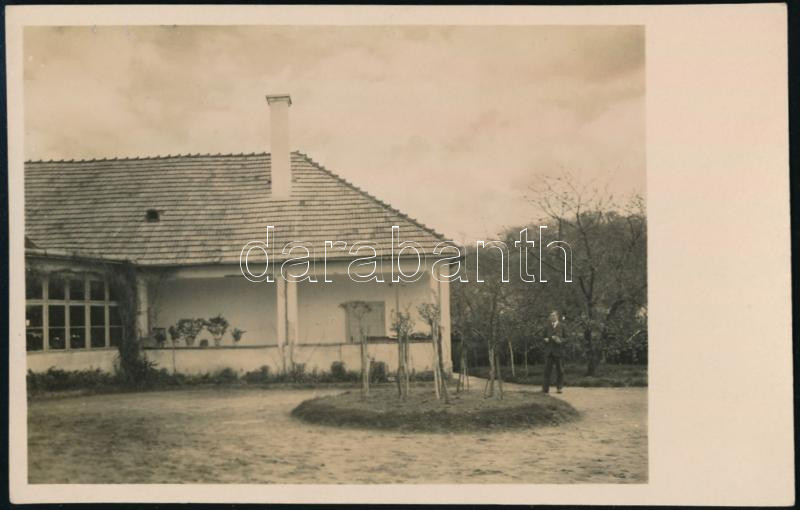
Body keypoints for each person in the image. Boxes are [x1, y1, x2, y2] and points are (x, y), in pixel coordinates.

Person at [542, 310, 565, 394]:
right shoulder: (547, 326)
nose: (552, 317)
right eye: (551, 316)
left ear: (557, 316)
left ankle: (559, 388)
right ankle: (545, 389)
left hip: (558, 351)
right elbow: (543, 337)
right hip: (549, 352)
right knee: (547, 371)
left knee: (560, 371)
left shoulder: (562, 326)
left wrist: (560, 340)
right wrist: (545, 339)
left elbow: (567, 338)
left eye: (554, 315)